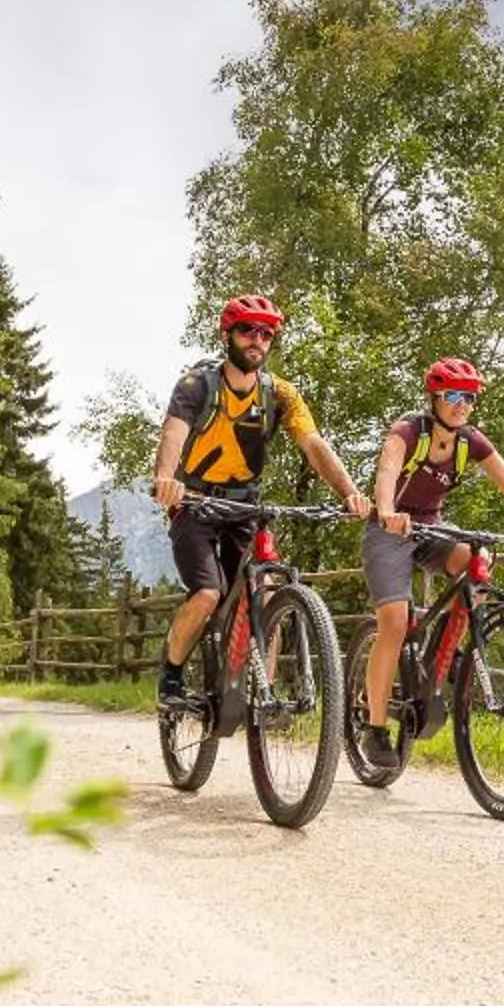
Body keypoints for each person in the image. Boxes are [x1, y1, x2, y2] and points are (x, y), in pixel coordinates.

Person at [150, 294, 370, 708]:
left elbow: (313, 444)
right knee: (208, 593)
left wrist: (350, 493)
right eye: (247, 330)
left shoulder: (280, 394)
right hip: (194, 502)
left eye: (266, 334)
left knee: (267, 595)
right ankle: (171, 676)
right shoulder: (197, 385)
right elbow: (173, 433)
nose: (257, 339)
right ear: (227, 335)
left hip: (244, 505)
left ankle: (260, 697)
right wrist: (166, 478)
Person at [355, 357, 504, 769]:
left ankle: (444, 653)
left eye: (469, 397)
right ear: (433, 398)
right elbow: (387, 471)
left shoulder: (470, 441)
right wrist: (387, 510)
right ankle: (374, 728)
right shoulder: (408, 432)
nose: (462, 404)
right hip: (389, 530)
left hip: (432, 528)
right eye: (453, 395)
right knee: (394, 623)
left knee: (478, 563)